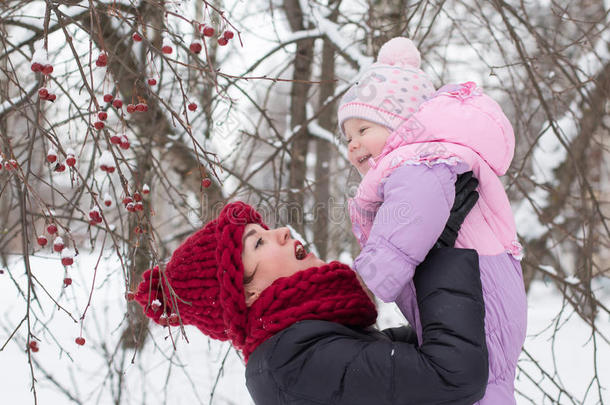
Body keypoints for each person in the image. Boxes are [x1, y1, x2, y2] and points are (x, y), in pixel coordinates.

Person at [134, 177, 487, 404]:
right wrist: (439, 253)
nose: (283, 232)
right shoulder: (292, 364)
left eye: (265, 229)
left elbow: (432, 348)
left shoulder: (309, 345)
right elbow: (452, 373)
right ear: (248, 296)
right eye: (258, 244)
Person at [337, 37, 528, 404]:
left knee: (482, 386)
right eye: (347, 136)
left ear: (401, 126)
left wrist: (376, 273)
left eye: (363, 130)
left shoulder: (417, 162)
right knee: (488, 386)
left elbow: (413, 213)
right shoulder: (426, 160)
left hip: (478, 298)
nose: (352, 145)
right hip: (477, 296)